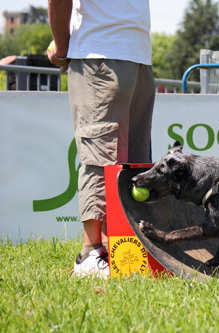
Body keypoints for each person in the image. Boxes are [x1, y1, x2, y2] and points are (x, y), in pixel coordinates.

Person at [48, 0, 156, 278]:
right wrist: (63, 47)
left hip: (125, 53)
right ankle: (93, 254)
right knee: (110, 156)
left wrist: (61, 49)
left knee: (127, 159)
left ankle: (120, 251)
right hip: (117, 51)